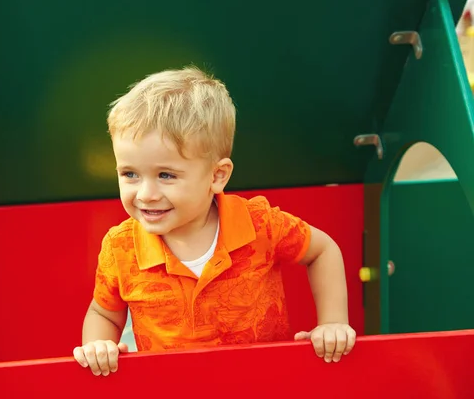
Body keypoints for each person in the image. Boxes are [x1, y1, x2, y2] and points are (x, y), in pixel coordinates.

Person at [73, 66, 356, 376]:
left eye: (166, 175)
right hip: (171, 388)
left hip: (263, 383)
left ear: (217, 175)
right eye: (130, 174)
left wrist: (332, 322)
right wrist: (99, 346)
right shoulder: (120, 247)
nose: (146, 193)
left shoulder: (259, 224)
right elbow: (105, 313)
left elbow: (322, 250)